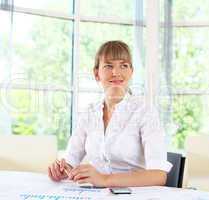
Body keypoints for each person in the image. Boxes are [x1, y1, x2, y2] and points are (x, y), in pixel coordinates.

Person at [48, 40, 172, 187]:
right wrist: (63, 169)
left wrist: (104, 180)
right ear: (96, 73)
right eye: (108, 66)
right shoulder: (89, 113)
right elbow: (70, 160)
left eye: (124, 65)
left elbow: (158, 176)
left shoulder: (145, 111)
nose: (116, 72)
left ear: (131, 72)